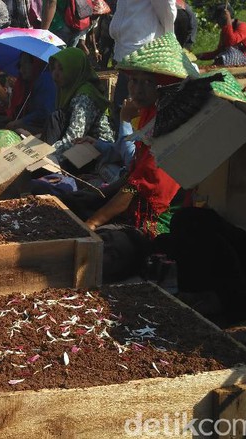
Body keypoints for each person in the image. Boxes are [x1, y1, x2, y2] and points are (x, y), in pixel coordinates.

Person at [83, 34, 191, 282]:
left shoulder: (168, 128)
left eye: (148, 83)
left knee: (104, 249)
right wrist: (97, 197)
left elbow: (137, 188)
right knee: (78, 200)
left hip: (156, 224)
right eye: (133, 81)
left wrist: (92, 222)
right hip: (132, 206)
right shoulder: (148, 116)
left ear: (164, 88)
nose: (137, 90)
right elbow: (131, 173)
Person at [108, 0, 176, 127]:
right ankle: (124, 139)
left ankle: (132, 142)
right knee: (123, 105)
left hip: (142, 49)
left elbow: (166, 10)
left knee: (135, 105)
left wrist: (168, 40)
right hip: (126, 48)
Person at [45, 48, 114, 163]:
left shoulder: (84, 96)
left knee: (56, 117)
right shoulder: (68, 89)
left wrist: (45, 155)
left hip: (97, 151)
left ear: (74, 70)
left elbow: (74, 137)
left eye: (61, 69)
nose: (55, 74)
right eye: (54, 69)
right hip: (79, 145)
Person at [4, 52, 56, 132]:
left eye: (25, 64)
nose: (21, 70)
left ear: (35, 63)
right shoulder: (28, 82)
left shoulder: (45, 80)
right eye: (20, 65)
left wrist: (21, 121)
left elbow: (45, 112)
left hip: (45, 128)